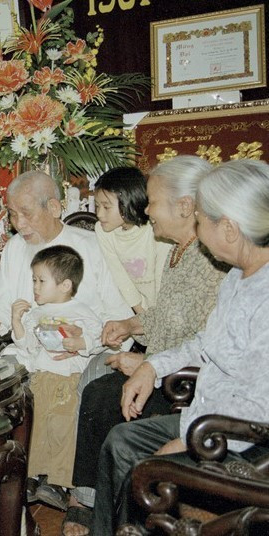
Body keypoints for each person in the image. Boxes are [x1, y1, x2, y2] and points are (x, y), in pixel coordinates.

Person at [90, 158, 269, 534]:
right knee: (121, 440)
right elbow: (206, 343)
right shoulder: (238, 277)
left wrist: (187, 440)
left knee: (145, 464)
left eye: (202, 219)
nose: (197, 228)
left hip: (244, 442)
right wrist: (152, 367)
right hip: (208, 421)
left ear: (229, 229)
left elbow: (259, 406)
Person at [64, 156, 228, 536]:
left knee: (103, 399)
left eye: (152, 202)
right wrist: (130, 328)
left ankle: (106, 514)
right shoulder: (179, 251)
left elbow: (205, 339)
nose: (147, 210)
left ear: (184, 207)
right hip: (163, 366)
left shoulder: (211, 261)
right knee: (99, 391)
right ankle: (98, 510)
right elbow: (165, 318)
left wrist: (147, 363)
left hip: (188, 386)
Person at [0, 171, 133, 384]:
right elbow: (5, 315)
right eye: (12, 214)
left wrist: (82, 343)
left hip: (88, 353)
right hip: (30, 353)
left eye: (26, 213)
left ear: (53, 208)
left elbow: (119, 318)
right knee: (0, 380)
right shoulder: (14, 247)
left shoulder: (94, 246)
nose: (19, 224)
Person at [10, 246, 103, 502]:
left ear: (65, 285)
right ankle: (32, 476)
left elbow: (99, 339)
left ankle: (59, 482)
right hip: (41, 378)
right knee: (36, 426)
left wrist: (81, 343)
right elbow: (28, 346)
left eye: (41, 281)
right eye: (34, 280)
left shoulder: (81, 313)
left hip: (68, 381)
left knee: (63, 428)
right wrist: (17, 322)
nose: (35, 287)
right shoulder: (36, 314)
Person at [93, 167, 172, 314]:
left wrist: (156, 317)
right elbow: (120, 277)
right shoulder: (103, 231)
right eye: (97, 206)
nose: (99, 214)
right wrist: (141, 314)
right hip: (140, 309)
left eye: (106, 207)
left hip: (167, 305)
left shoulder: (155, 229)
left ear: (128, 203)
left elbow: (163, 279)